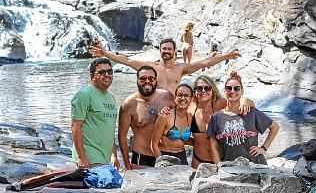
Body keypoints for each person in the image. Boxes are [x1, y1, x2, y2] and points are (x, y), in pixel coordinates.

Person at [90, 38, 240, 94]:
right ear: (160, 51)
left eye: (169, 49)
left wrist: (227, 56)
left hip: (174, 106)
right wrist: (105, 53)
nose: (166, 51)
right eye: (164, 49)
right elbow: (126, 61)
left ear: (175, 52)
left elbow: (205, 62)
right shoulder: (150, 67)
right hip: (154, 106)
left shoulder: (181, 68)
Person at [208, 72, 279, 164]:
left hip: (254, 166)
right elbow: (213, 146)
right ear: (225, 91)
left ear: (242, 91)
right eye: (229, 88)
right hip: (230, 168)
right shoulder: (216, 118)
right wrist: (218, 166)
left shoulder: (252, 113)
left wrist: (263, 148)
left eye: (236, 88)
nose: (232, 91)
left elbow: (275, 127)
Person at [189, 75, 255, 168]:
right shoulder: (191, 108)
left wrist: (244, 100)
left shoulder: (221, 104)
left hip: (223, 161)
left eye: (207, 88)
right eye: (199, 88)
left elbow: (251, 105)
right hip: (198, 161)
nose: (203, 91)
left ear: (213, 90)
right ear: (194, 91)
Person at [118, 65, 174, 169]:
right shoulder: (128, 104)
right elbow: (122, 137)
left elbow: (180, 118)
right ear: (137, 80)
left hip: (166, 156)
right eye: (143, 78)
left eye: (151, 78)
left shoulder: (167, 97)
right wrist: (127, 164)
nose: (147, 81)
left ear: (156, 80)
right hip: (141, 157)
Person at [71, 58, 119, 169]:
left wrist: (114, 155)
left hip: (105, 159)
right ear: (92, 75)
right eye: (101, 72)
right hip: (89, 159)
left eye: (109, 72)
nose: (107, 75)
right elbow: (75, 127)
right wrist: (82, 158)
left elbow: (109, 129)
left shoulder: (111, 97)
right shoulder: (84, 95)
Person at [151, 84, 194, 165]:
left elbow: (186, 139)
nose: (183, 98)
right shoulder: (165, 116)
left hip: (182, 156)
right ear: (175, 98)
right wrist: (162, 163)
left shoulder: (190, 117)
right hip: (166, 156)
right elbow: (153, 145)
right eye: (180, 95)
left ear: (191, 98)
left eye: (186, 95)